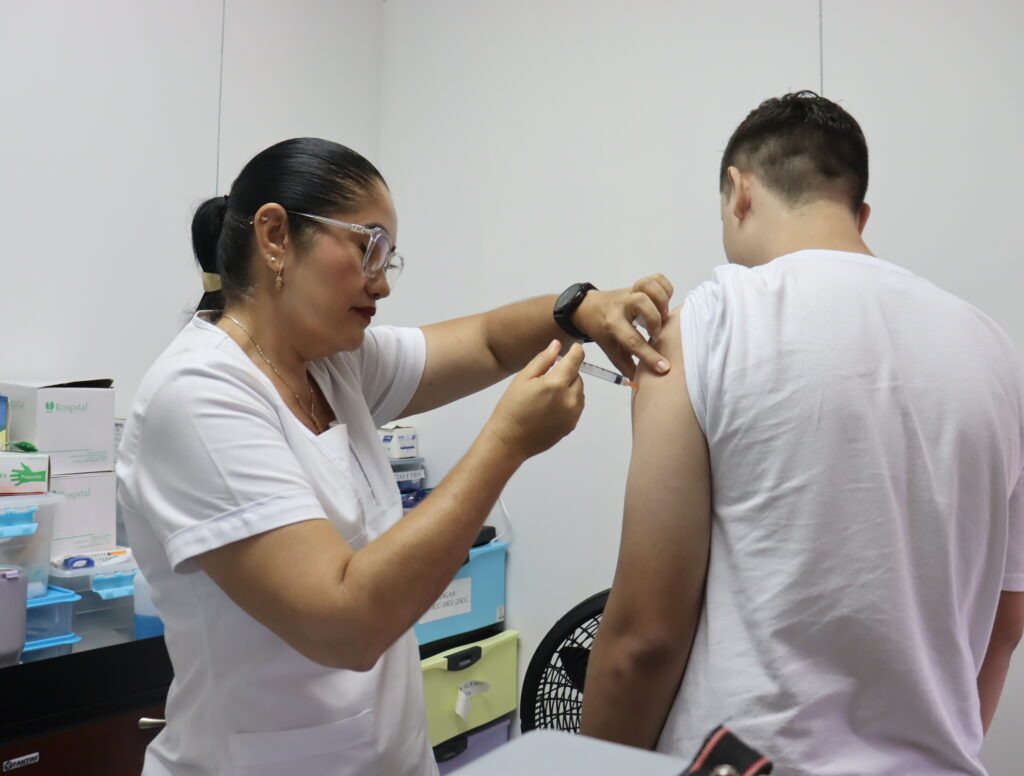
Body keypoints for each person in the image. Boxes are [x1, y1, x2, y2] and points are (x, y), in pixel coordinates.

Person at [116, 137, 674, 776]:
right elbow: (345, 622)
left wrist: (581, 309)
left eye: (390, 256)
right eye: (367, 246)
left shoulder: (332, 362)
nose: (381, 281)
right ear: (274, 236)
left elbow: (491, 344)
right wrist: (508, 442)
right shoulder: (197, 395)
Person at [580, 92, 1024, 775]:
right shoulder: (996, 355)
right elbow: (1005, 624)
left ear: (738, 191)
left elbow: (644, 639)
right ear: (860, 212)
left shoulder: (704, 328)